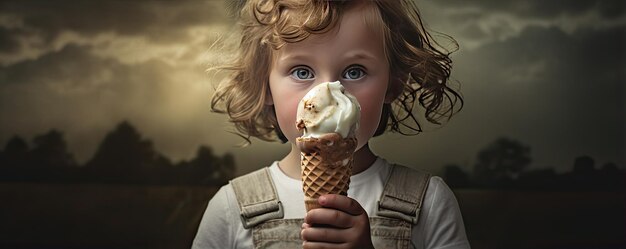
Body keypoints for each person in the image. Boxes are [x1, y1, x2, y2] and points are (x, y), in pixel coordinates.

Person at [193, 0, 469, 248]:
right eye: (302, 72)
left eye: (354, 71)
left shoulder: (429, 203)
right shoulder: (231, 208)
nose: (326, 97)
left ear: (393, 85)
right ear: (264, 85)